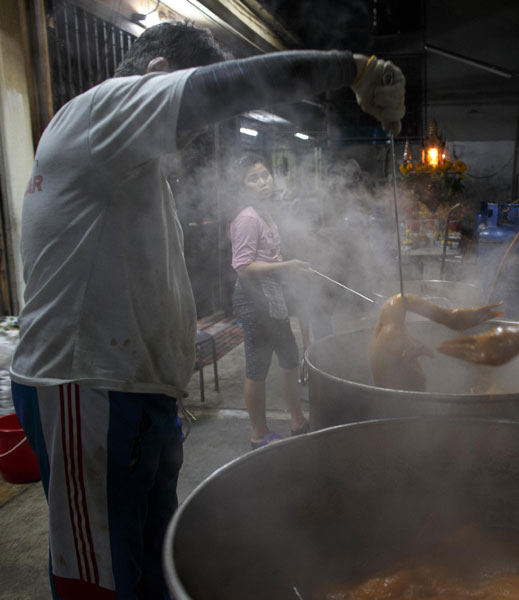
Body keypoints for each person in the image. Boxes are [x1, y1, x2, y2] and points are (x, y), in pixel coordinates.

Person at [10, 21, 405, 599]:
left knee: (150, 564)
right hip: (87, 389)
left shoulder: (128, 163)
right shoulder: (102, 112)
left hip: (137, 394)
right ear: (158, 75)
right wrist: (354, 69)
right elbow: (227, 86)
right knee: (99, 580)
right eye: (193, 124)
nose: (193, 140)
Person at [229, 153, 310, 448]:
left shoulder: (267, 213)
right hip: (253, 300)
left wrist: (288, 267)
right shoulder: (248, 218)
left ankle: (297, 420)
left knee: (288, 357)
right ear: (243, 187)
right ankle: (258, 434)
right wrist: (286, 267)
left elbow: (268, 255)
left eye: (265, 175)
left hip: (271, 298)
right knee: (258, 365)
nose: (263, 181)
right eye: (254, 178)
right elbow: (243, 266)